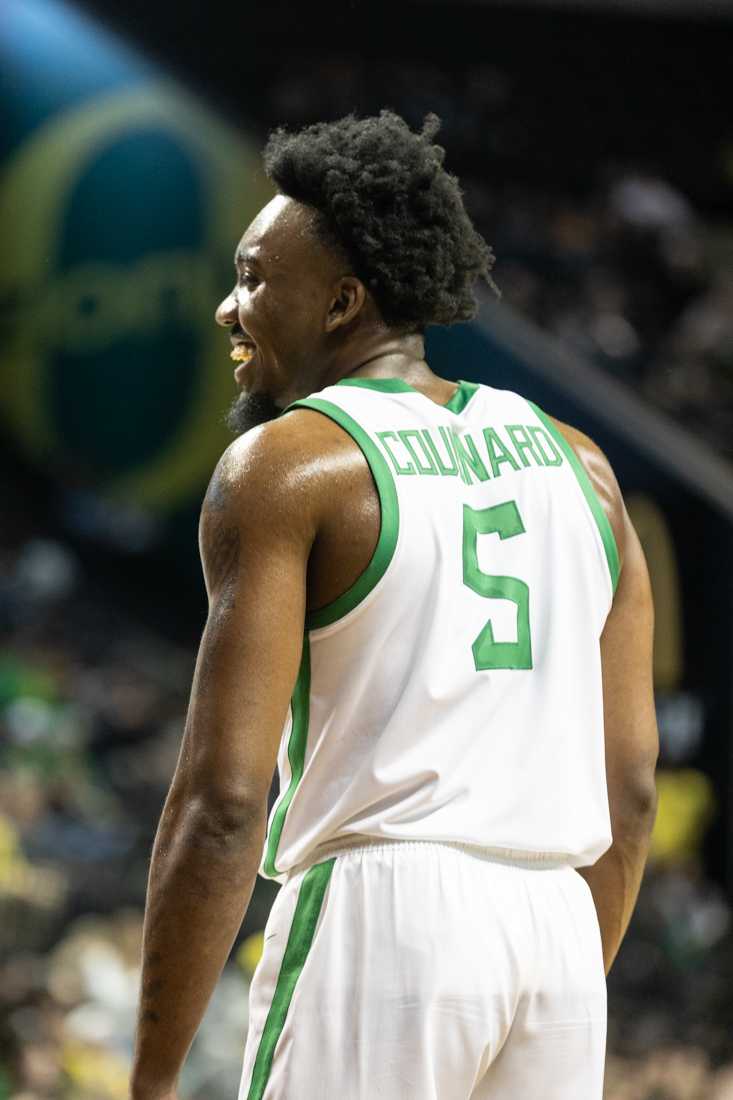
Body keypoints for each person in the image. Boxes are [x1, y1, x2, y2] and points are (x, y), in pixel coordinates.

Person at [129, 110, 659, 1100]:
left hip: (385, 914)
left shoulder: (288, 464)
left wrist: (153, 1074)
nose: (226, 309)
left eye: (251, 277)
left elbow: (225, 798)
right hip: (556, 930)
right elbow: (629, 784)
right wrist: (561, 979)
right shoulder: (583, 468)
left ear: (340, 302)